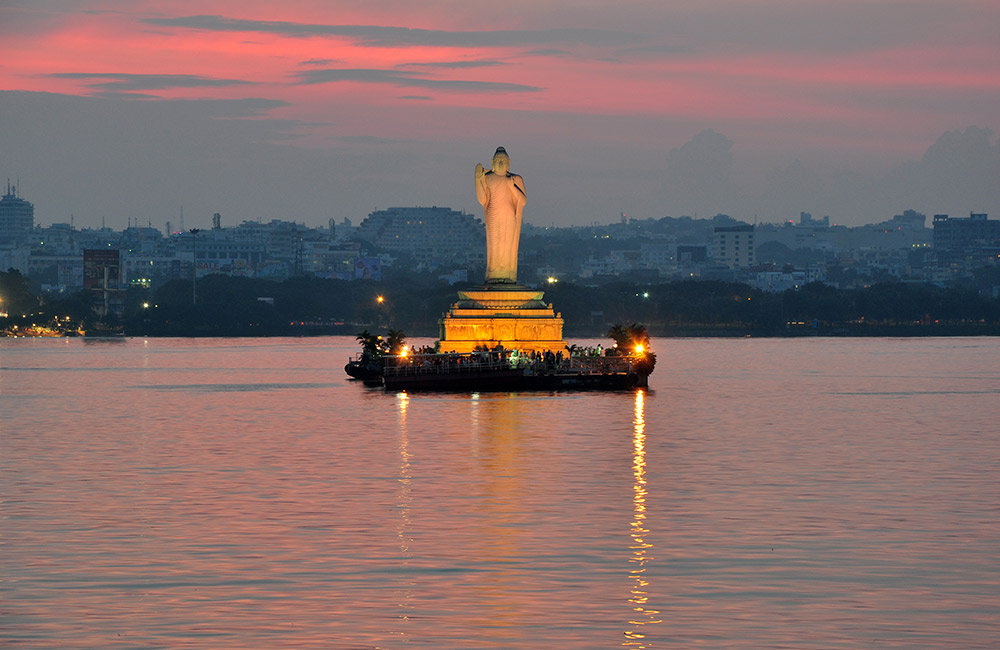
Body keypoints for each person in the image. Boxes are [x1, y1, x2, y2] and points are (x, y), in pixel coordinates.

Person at [475, 147, 526, 284]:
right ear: (493, 162)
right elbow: (483, 199)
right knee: (494, 244)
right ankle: (493, 273)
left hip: (508, 214)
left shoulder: (515, 179)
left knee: (507, 243)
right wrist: (478, 181)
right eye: (498, 161)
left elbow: (522, 200)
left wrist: (511, 186)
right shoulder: (488, 178)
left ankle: (507, 273)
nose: (501, 164)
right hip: (493, 212)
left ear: (508, 163)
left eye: (503, 161)